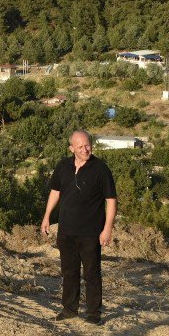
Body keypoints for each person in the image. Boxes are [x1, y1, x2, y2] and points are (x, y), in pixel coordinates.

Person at [41, 130, 118, 325]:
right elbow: (55, 192)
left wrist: (107, 228)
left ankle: (93, 313)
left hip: (91, 232)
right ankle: (69, 310)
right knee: (69, 272)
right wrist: (47, 216)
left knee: (91, 274)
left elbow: (111, 200)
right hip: (66, 231)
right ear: (72, 148)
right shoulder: (63, 166)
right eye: (81, 146)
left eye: (88, 145)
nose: (85, 149)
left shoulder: (100, 169)